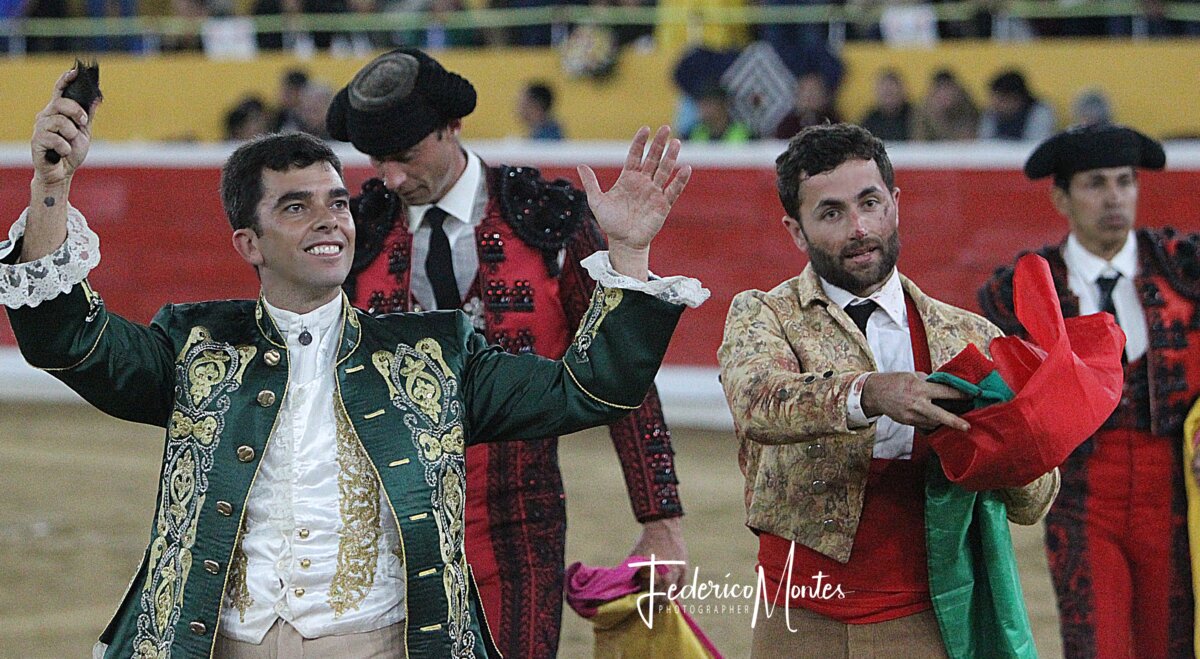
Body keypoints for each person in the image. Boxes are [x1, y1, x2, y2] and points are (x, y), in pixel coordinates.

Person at [3, 67, 703, 659]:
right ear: (248, 242)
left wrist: (631, 256)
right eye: (297, 207)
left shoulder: (438, 353)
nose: (332, 219)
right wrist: (50, 187)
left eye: (337, 202)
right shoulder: (195, 346)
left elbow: (592, 387)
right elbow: (69, 340)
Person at [324, 48, 692, 658]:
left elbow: (622, 371)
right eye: (376, 161)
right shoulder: (354, 232)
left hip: (518, 526)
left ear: (451, 128)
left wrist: (661, 520)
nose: (388, 177)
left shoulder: (545, 218)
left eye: (405, 158)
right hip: (379, 531)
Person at [718, 123, 1059, 657]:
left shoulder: (968, 335)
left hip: (927, 615)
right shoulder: (764, 313)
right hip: (796, 616)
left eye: (869, 203)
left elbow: (1032, 504)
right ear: (796, 231)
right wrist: (871, 393)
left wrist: (1012, 445)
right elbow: (757, 400)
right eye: (831, 213)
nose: (858, 227)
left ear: (895, 204)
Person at [979, 124, 1200, 658]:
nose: (1114, 198)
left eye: (1125, 182)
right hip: (1079, 499)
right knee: (1095, 647)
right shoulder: (1024, 291)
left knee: (1171, 645)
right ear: (1062, 197)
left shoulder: (1187, 267)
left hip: (1175, 494)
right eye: (1095, 184)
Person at [979, 69, 1057, 142]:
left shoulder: (1040, 113)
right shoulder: (992, 113)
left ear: (1015, 99)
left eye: (1000, 100)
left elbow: (1036, 144)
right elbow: (986, 141)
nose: (994, 105)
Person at [910, 69, 979, 142]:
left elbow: (969, 139)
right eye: (940, 91)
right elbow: (918, 141)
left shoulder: (967, 108)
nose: (945, 95)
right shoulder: (922, 112)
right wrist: (935, 116)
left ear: (956, 90)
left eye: (948, 89)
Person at [773, 71, 840, 140]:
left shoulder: (833, 124)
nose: (808, 98)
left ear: (823, 97)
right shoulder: (787, 125)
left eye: (813, 92)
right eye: (804, 93)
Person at [859, 69, 912, 142]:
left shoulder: (915, 117)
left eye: (891, 93)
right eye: (885, 93)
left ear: (902, 91)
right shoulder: (870, 120)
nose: (889, 98)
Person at [684, 87, 752, 143]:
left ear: (723, 104)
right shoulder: (693, 133)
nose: (704, 108)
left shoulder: (746, 134)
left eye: (709, 103)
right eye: (702, 103)